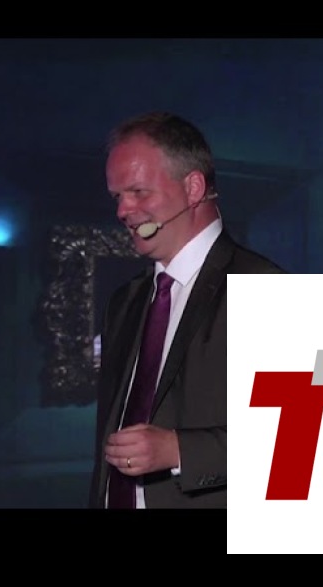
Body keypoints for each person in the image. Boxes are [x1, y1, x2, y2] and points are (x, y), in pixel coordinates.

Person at [88, 111, 286, 509]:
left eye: (138, 192)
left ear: (193, 187)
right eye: (117, 197)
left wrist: (179, 451)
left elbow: (299, 440)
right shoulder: (124, 302)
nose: (123, 210)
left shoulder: (265, 287)